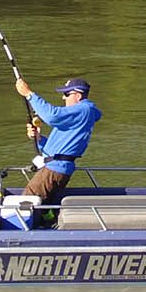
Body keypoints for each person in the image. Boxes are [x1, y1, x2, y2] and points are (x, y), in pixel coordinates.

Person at [15, 76, 103, 211]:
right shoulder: (78, 115)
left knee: (27, 202)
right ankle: (44, 223)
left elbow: (52, 116)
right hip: (54, 166)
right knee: (43, 206)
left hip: (55, 169)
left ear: (78, 95)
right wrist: (39, 138)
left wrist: (29, 94)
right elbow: (60, 146)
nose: (63, 98)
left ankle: (22, 230)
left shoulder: (84, 110)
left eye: (67, 94)